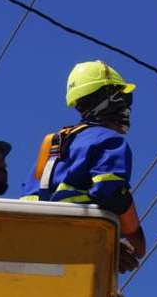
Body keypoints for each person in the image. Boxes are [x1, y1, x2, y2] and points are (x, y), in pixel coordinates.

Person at [22, 60, 146, 272]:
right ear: (109, 99)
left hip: (40, 249)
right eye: (125, 98)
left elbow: (27, 203)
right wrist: (134, 236)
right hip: (82, 247)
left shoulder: (51, 144)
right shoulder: (109, 141)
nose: (128, 106)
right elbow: (111, 192)